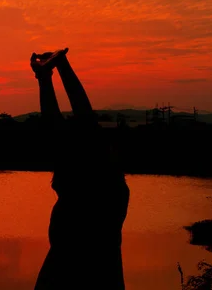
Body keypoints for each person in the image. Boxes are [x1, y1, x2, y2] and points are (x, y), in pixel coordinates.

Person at [31, 48, 130, 290]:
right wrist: (49, 74)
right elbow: (68, 122)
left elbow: (77, 117)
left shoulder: (96, 190)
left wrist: (53, 72)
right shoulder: (108, 187)